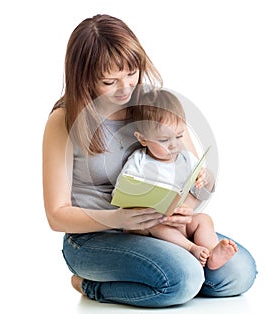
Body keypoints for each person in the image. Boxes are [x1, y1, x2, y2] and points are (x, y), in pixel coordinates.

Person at [42, 14, 257, 308]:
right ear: (84, 78)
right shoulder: (63, 120)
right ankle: (91, 286)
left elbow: (195, 174)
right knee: (185, 278)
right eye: (109, 81)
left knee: (239, 274)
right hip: (93, 239)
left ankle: (167, 274)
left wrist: (185, 208)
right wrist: (117, 218)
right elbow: (56, 215)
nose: (125, 87)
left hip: (161, 230)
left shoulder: (152, 105)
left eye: (132, 73)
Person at [115, 89, 238, 269]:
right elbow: (122, 188)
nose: (174, 145)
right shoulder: (139, 161)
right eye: (164, 140)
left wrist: (206, 177)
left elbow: (205, 186)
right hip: (152, 225)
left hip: (181, 220)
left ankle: (212, 252)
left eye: (179, 136)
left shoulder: (186, 158)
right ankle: (192, 248)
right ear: (143, 139)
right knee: (156, 225)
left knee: (204, 219)